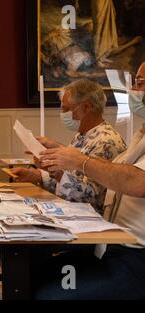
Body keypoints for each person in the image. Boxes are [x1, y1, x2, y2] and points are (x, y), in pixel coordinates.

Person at [31, 62, 145, 300]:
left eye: (140, 83)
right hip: (109, 245)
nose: (134, 89)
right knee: (29, 274)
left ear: (86, 107)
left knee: (48, 295)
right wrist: (60, 161)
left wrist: (78, 161)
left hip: (134, 258)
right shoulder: (141, 134)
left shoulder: (108, 138)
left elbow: (135, 182)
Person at [12, 79, 126, 213]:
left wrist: (54, 170)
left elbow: (90, 196)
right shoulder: (82, 135)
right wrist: (37, 175)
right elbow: (71, 179)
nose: (63, 114)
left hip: (90, 219)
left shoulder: (106, 142)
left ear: (87, 107)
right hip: (73, 212)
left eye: (67, 109)